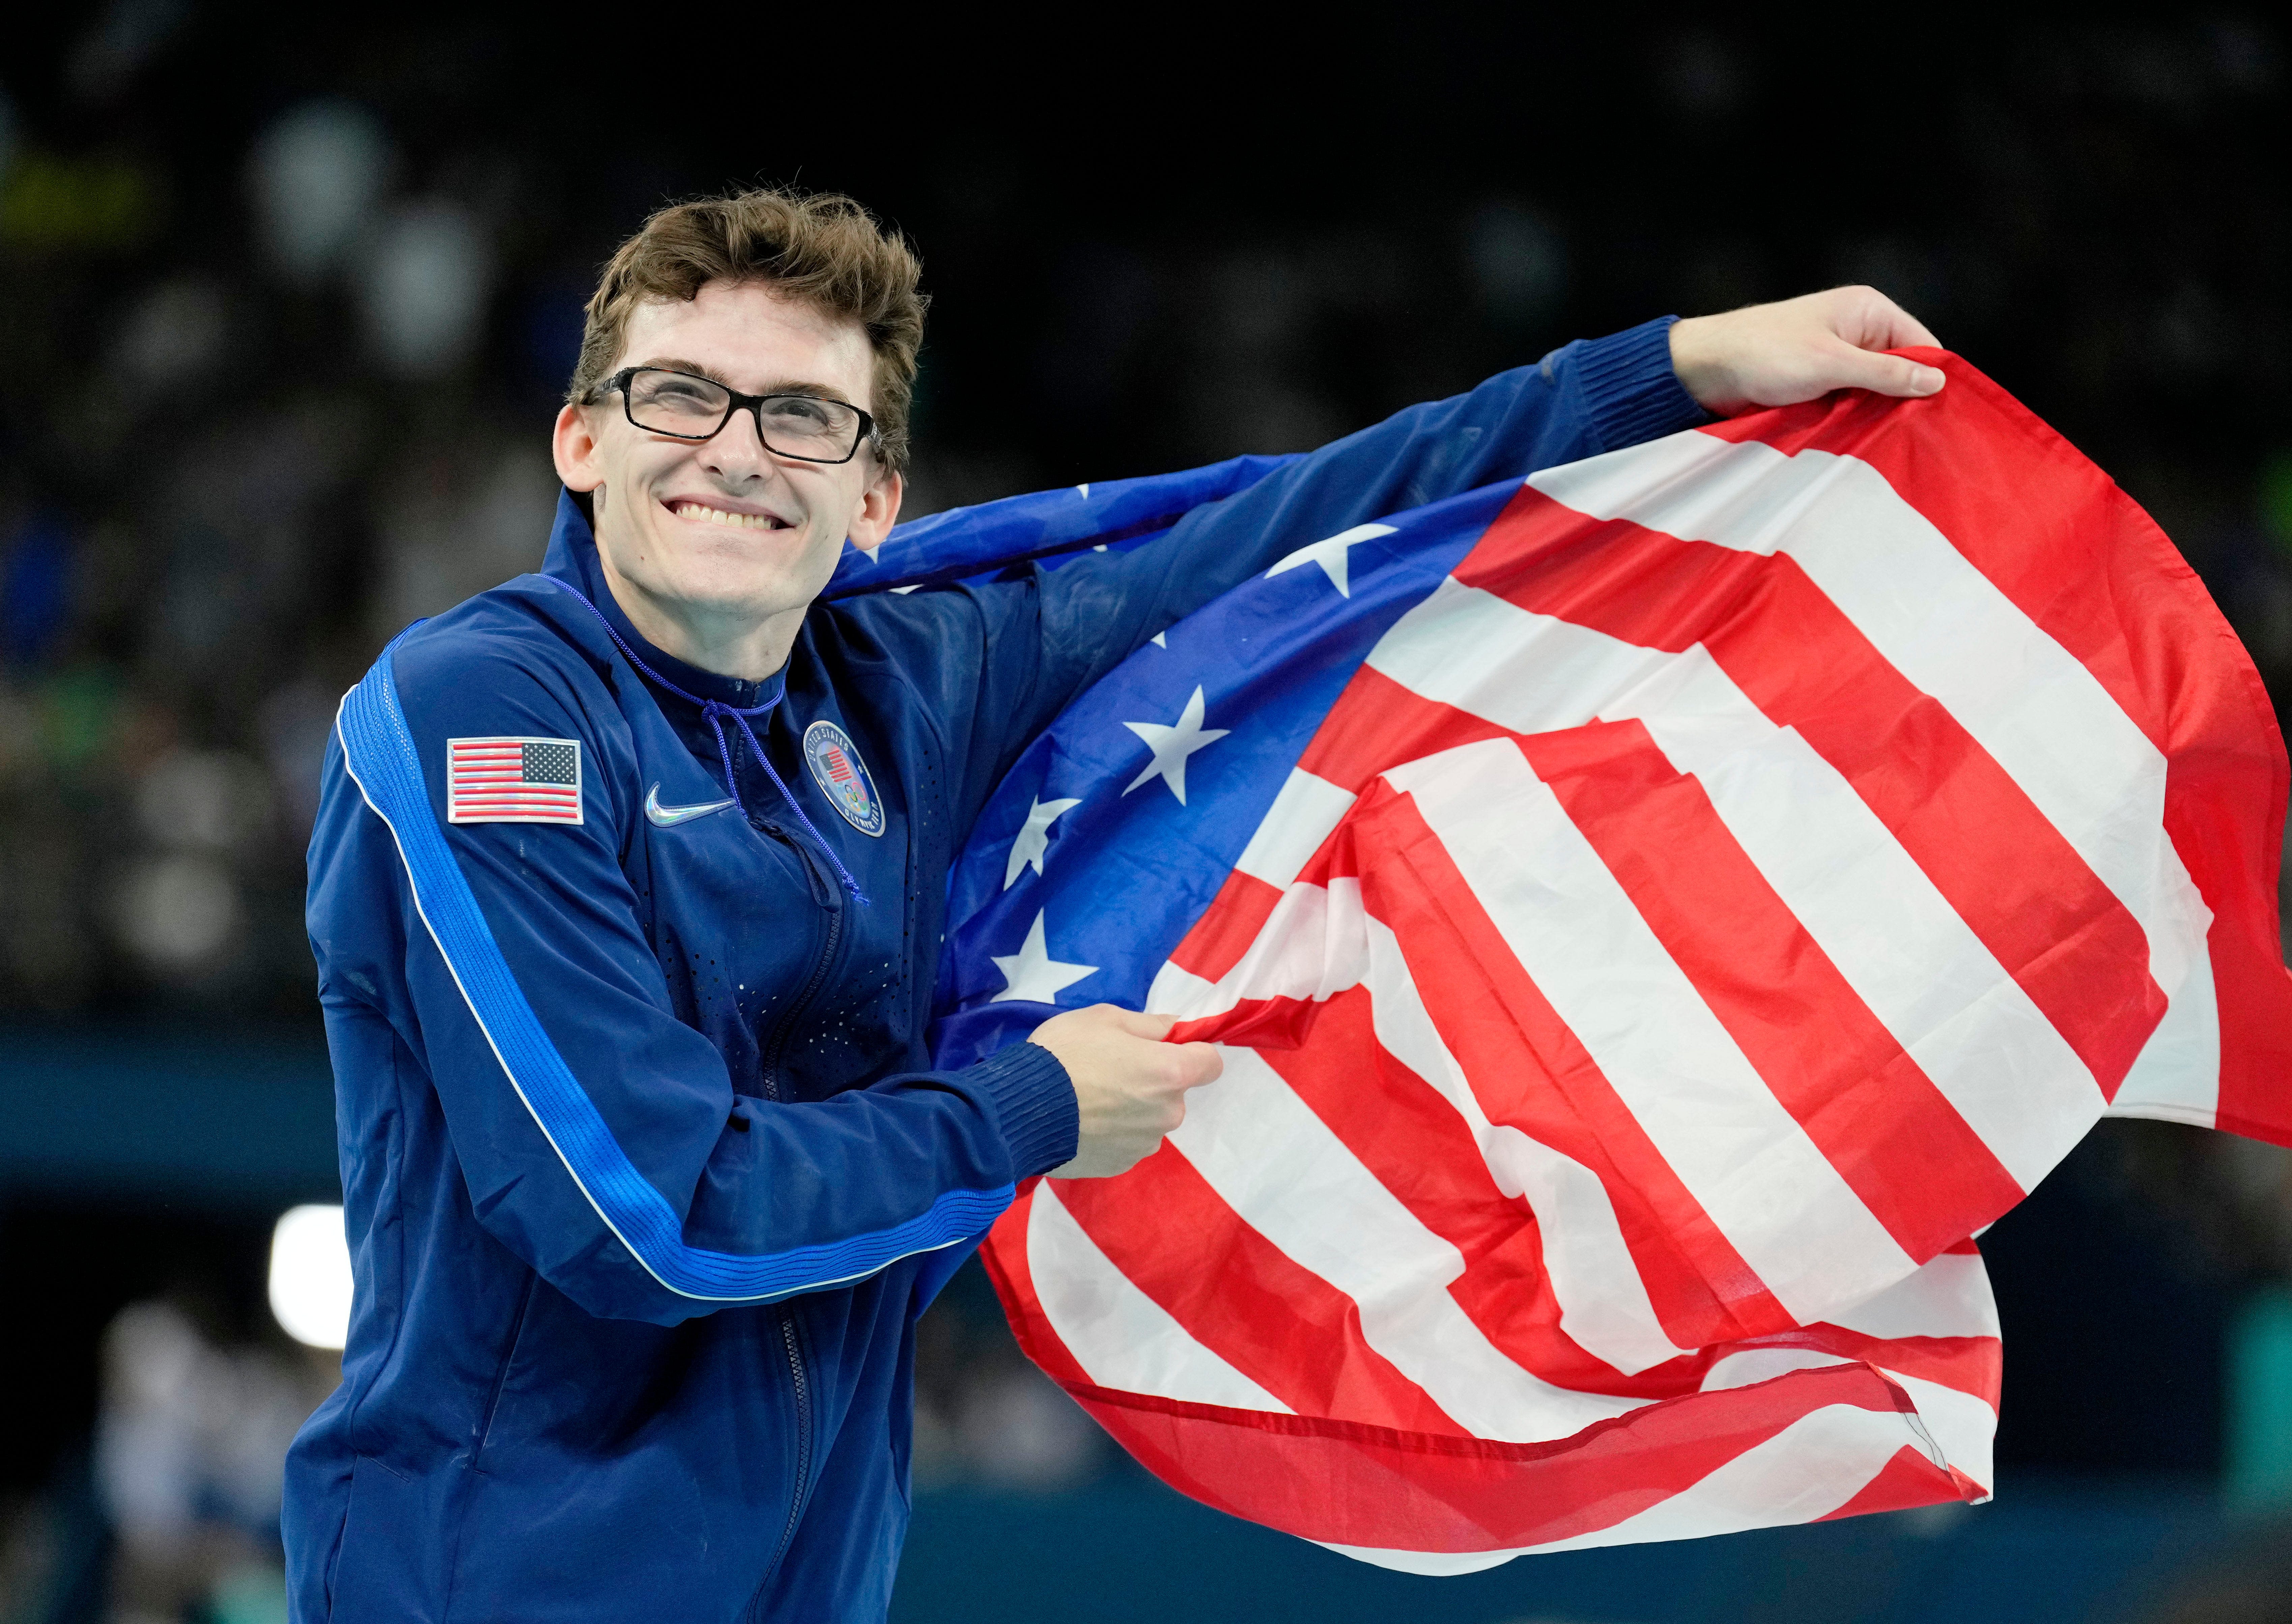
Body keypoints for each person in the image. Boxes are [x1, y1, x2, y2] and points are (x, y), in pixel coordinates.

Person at [284, 186, 1945, 1623]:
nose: (736, 451)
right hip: (485, 1579)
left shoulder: (902, 681)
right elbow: (648, 1209)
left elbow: (1282, 537)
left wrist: (1672, 375)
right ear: (582, 438)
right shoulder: (484, 714)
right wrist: (1029, 1109)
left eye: (802, 415)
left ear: (874, 497)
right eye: (680, 396)